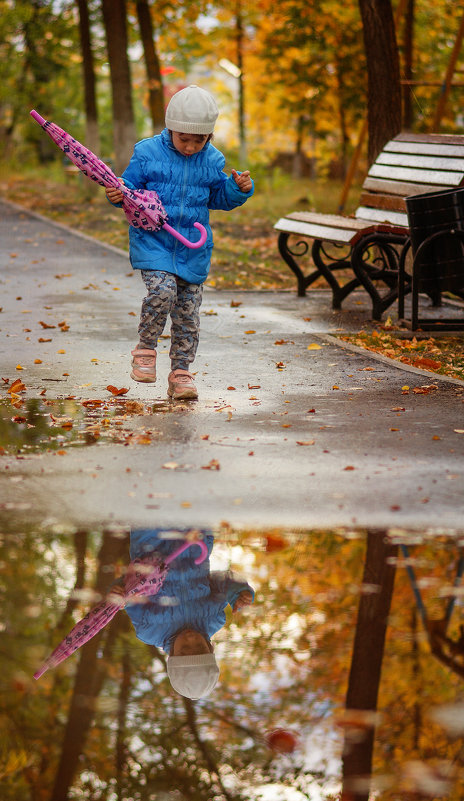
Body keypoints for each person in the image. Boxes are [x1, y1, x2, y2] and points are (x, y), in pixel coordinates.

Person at [106, 84, 254, 400]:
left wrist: (237, 189)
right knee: (163, 291)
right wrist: (118, 194)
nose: (190, 147)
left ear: (209, 137)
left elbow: (217, 198)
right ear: (171, 129)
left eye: (198, 140)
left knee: (188, 314)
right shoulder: (146, 153)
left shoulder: (213, 160)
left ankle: (181, 374)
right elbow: (128, 190)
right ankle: (145, 349)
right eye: (183, 138)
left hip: (192, 247)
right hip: (154, 241)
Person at [110, 529, 254, 700]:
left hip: (151, 541)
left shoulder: (149, 629)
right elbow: (221, 581)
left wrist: (118, 594)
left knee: (153, 505)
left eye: (184, 650)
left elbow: (131, 590)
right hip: (194, 537)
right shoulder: (214, 618)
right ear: (209, 648)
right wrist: (237, 592)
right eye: (199, 648)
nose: (191, 640)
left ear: (171, 656)